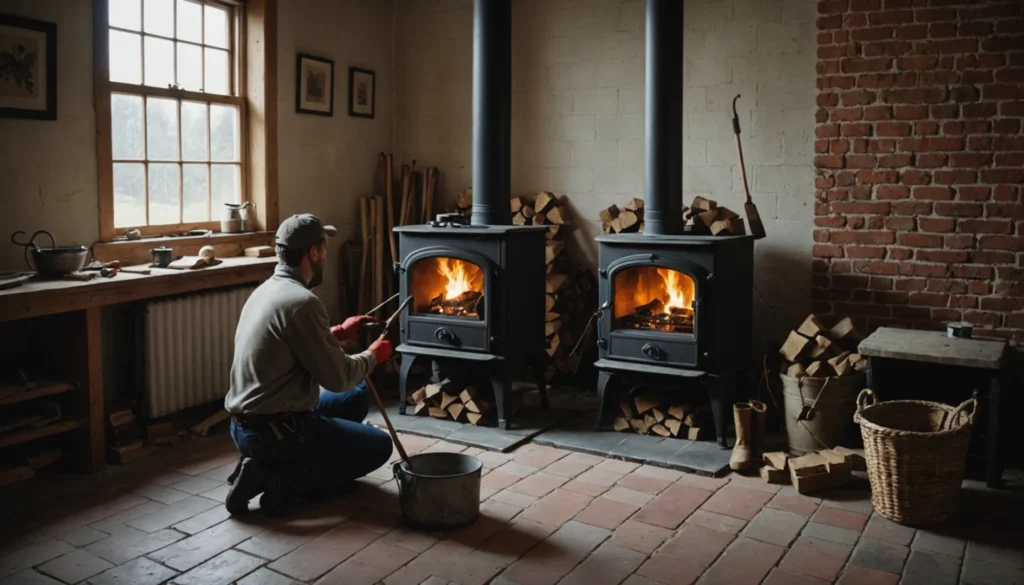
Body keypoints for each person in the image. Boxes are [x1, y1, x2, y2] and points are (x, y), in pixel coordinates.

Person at [223, 213, 394, 515]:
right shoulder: (303, 302)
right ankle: (279, 479)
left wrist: (340, 331)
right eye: (325, 248)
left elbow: (290, 343)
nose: (325, 255)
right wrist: (375, 355)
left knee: (356, 397)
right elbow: (339, 377)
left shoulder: (269, 291)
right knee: (379, 446)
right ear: (313, 253)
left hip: (246, 427)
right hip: (276, 433)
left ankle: (267, 464)